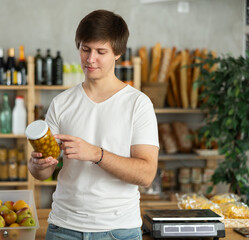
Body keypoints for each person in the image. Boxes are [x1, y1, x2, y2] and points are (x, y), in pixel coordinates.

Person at [28, 9, 159, 240]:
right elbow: (44, 172)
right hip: (63, 228)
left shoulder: (138, 104)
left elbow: (147, 174)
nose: (90, 59)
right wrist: (38, 166)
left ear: (118, 53)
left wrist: (96, 154)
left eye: (101, 52)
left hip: (119, 231)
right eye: (85, 49)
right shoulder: (61, 103)